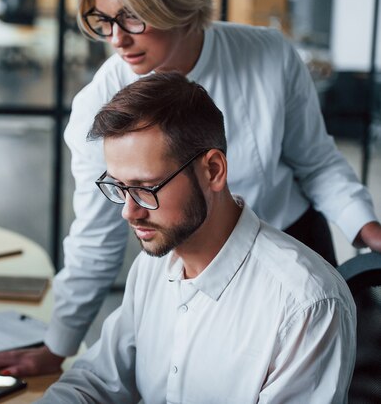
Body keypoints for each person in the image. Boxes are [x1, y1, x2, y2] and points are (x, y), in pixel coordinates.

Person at [0, 0, 381, 376]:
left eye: (131, 18)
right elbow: (97, 236)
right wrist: (57, 347)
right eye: (104, 21)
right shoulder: (100, 103)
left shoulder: (268, 54)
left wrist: (368, 229)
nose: (116, 39)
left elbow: (317, 161)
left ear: (179, 6)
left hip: (294, 240)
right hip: (198, 265)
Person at [38, 72, 356, 403]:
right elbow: (99, 379)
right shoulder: (152, 266)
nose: (129, 212)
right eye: (119, 187)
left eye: (146, 188)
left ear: (213, 171)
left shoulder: (306, 304)